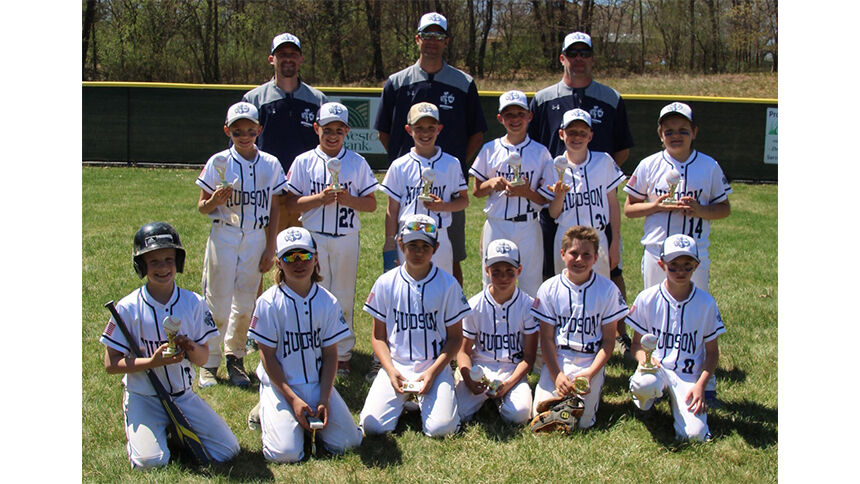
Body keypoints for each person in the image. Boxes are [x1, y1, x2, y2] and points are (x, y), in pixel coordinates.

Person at [99, 222, 239, 468]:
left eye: (168, 259)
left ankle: (173, 433)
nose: (163, 267)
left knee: (228, 451)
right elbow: (111, 364)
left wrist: (191, 347)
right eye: (154, 262)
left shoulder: (193, 302)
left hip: (182, 396)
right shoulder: (127, 307)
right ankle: (151, 434)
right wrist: (152, 363)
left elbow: (203, 358)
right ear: (141, 266)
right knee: (151, 462)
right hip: (145, 397)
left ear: (179, 262)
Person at [529, 31, 634, 352]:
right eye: (571, 53)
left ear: (591, 57)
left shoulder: (610, 97)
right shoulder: (543, 98)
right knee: (556, 273)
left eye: (584, 53)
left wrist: (595, 177)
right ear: (562, 57)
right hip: (555, 200)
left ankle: (614, 332)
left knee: (607, 271)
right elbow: (534, 146)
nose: (578, 59)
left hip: (596, 212)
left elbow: (621, 148)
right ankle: (558, 333)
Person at [623, 101, 731, 406]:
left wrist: (701, 209)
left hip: (694, 256)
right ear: (660, 134)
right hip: (658, 251)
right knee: (652, 316)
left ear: (694, 132)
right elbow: (630, 209)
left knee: (695, 317)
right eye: (669, 130)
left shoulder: (707, 166)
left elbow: (724, 209)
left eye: (683, 129)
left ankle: (700, 385)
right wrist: (656, 205)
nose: (676, 135)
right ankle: (651, 377)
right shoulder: (648, 165)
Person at [373, 11, 487, 287]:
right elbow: (384, 132)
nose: (432, 41)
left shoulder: (463, 82)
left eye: (438, 35)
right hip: (408, 181)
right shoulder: (397, 81)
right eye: (427, 35)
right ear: (417, 39)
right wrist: (409, 161)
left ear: (446, 41)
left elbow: (477, 133)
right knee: (404, 265)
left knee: (451, 258)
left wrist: (455, 165)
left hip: (447, 185)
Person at [248, 227, 362, 462]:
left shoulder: (327, 301)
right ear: (278, 262)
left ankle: (301, 423)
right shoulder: (268, 303)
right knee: (285, 454)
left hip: (316, 384)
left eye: (305, 255)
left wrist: (324, 397)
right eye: (290, 257)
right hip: (281, 388)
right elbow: (267, 356)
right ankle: (265, 412)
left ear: (316, 258)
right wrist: (292, 399)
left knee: (350, 443)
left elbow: (331, 355)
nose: (298, 263)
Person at [285, 102, 380, 378]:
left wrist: (349, 200)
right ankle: (314, 349)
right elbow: (292, 203)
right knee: (314, 293)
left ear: (347, 131)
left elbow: (372, 204)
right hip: (314, 237)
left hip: (346, 237)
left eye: (339, 130)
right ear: (317, 129)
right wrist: (319, 199)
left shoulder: (357, 162)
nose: (333, 135)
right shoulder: (304, 161)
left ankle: (341, 354)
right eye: (327, 129)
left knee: (343, 296)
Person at [196, 101, 287, 387]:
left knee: (246, 303)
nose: (244, 136)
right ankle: (209, 362)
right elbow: (202, 207)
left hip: (256, 235)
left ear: (259, 130)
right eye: (237, 131)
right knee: (218, 301)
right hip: (224, 232)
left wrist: (271, 247)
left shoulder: (270, 163)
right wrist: (214, 201)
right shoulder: (218, 161)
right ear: (228, 131)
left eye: (250, 130)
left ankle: (235, 358)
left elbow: (276, 207)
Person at [359, 214, 471, 438]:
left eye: (425, 246)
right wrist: (390, 370)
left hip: (434, 366)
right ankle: (409, 403)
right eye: (412, 245)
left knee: (441, 430)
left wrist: (434, 371)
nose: (418, 252)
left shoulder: (448, 284)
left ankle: (424, 400)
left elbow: (455, 338)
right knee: (373, 428)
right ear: (400, 244)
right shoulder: (386, 282)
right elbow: (378, 337)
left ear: (436, 247)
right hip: (397, 365)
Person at [626, 234, 725, 441]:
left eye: (687, 265)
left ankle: (681, 410)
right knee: (644, 384)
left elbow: (713, 352)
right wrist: (644, 360)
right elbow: (636, 344)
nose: (680, 271)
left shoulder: (706, 303)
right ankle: (644, 406)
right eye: (674, 265)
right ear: (662, 264)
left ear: (696, 265)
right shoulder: (648, 298)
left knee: (694, 436)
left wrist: (702, 385)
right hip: (657, 369)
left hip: (689, 376)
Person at [530, 226, 628, 429]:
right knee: (537, 411)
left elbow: (609, 341)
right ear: (562, 254)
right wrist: (557, 375)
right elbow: (547, 338)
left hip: (590, 360)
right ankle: (562, 409)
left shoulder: (607, 289)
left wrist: (591, 374)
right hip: (560, 359)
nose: (579, 260)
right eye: (573, 253)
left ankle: (565, 410)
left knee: (583, 423)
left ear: (595, 258)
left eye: (586, 255)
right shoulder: (549, 288)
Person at [469, 90, 553, 297]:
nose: (515, 119)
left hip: (529, 225)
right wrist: (490, 183)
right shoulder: (490, 149)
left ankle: (528, 329)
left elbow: (546, 198)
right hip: (497, 223)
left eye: (520, 114)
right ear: (500, 118)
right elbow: (476, 191)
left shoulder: (540, 152)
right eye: (509, 115)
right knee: (492, 281)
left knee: (530, 284)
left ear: (529, 116)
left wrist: (527, 192)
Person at [243, 32, 327, 234]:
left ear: (301, 59)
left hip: (306, 192)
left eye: (293, 53)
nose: (288, 58)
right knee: (267, 254)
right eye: (282, 54)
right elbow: (240, 147)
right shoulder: (255, 99)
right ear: (272, 59)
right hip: (267, 190)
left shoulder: (317, 99)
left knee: (305, 254)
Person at [380, 102, 469, 276]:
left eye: (431, 127)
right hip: (408, 235)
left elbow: (464, 200)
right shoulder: (399, 165)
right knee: (407, 289)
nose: (425, 133)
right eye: (419, 127)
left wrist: (444, 206)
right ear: (408, 129)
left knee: (439, 289)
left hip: (439, 236)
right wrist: (390, 241)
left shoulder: (451, 163)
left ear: (439, 129)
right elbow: (392, 209)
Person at [455, 239, 538, 425]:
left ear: (519, 270)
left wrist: (509, 384)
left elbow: (529, 356)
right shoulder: (474, 305)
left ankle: (498, 399)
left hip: (512, 370)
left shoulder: (528, 305)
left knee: (519, 416)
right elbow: (463, 351)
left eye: (510, 271)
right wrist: (468, 379)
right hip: (480, 370)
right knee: (458, 413)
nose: (503, 278)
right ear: (487, 270)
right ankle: (475, 392)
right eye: (496, 272)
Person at [542, 109, 625, 280]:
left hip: (598, 235)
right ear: (561, 134)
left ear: (590, 135)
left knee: (599, 292)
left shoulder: (604, 161)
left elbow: (613, 205)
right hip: (566, 236)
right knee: (567, 291)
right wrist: (559, 196)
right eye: (571, 132)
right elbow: (553, 213)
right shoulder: (553, 166)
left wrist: (614, 243)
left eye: (582, 132)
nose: (577, 137)